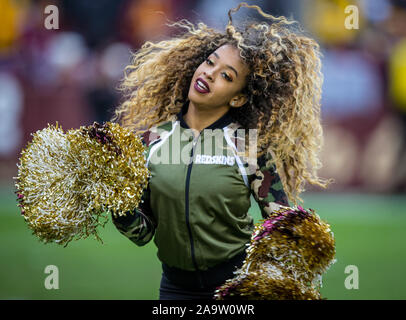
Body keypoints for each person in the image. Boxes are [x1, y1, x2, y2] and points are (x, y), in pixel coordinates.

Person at [111, 2, 332, 300]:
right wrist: (116, 201)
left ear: (238, 98)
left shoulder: (249, 147)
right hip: (174, 291)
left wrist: (280, 276)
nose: (210, 74)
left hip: (235, 290)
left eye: (227, 76)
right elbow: (143, 233)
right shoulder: (153, 140)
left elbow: (281, 227)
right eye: (210, 62)